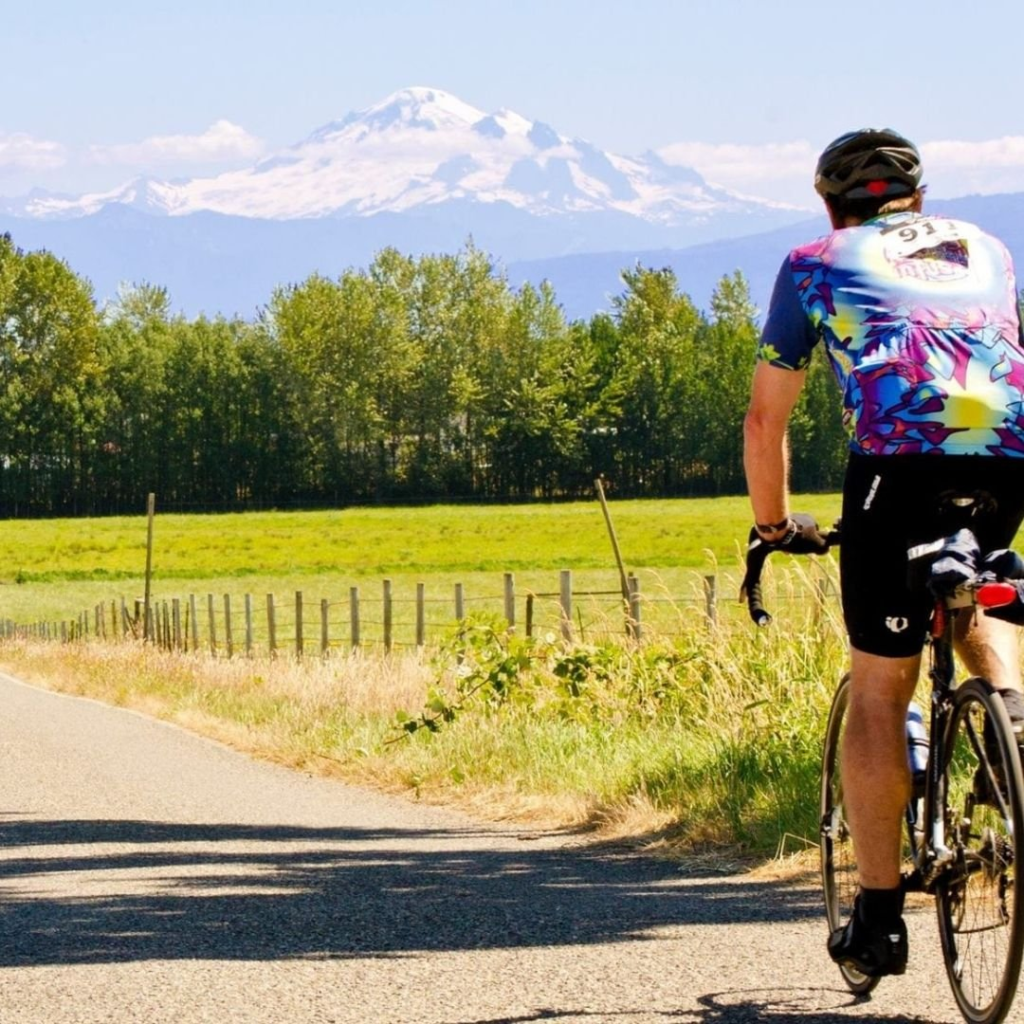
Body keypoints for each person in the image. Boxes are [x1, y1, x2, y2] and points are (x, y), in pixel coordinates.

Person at [743, 128, 1024, 978]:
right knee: (973, 583)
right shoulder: (987, 245)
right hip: (1007, 452)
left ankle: (876, 916)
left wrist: (774, 526)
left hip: (895, 473)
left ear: (831, 205)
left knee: (879, 685)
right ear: (919, 200)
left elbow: (766, 420)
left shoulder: (812, 262)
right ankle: (1011, 720)